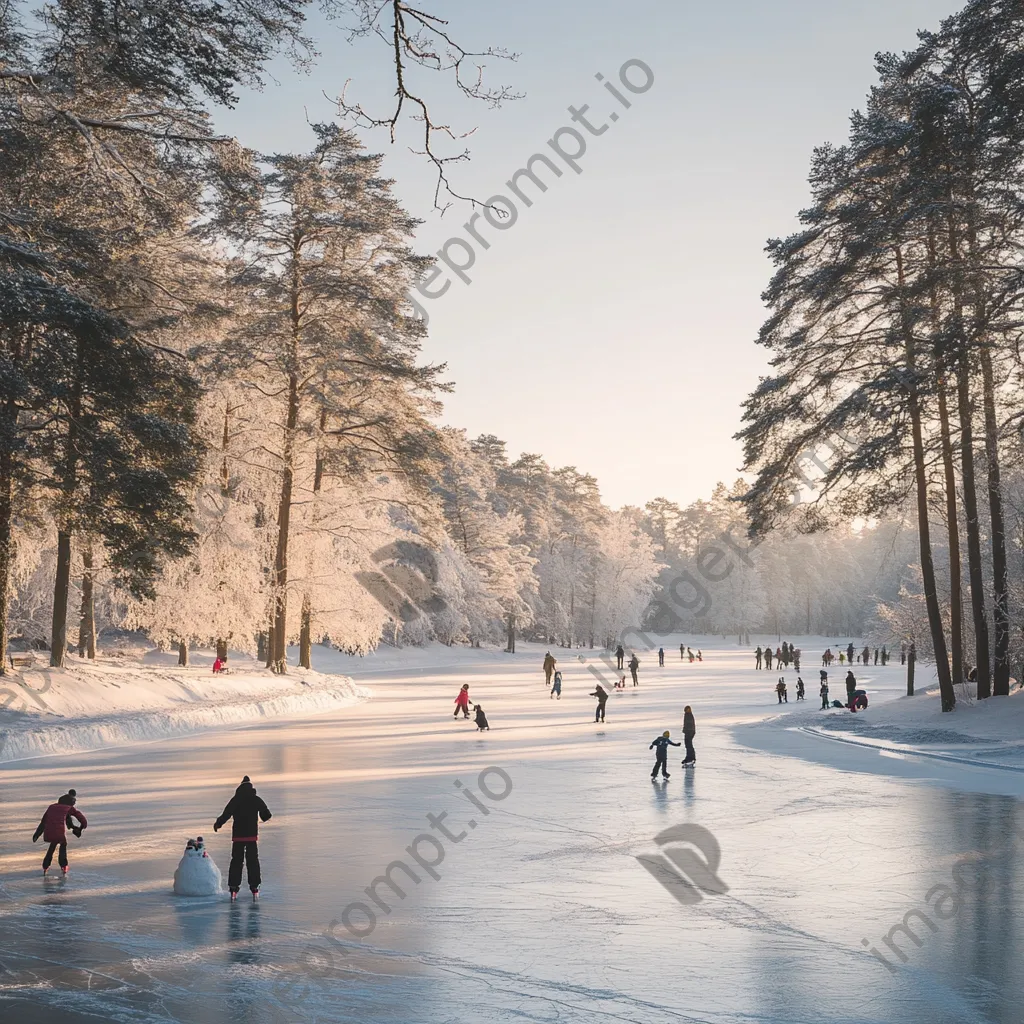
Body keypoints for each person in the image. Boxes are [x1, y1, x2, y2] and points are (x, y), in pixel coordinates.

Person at [214, 775, 272, 899]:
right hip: (251, 837)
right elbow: (266, 815)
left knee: (236, 861)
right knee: (253, 861)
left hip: (238, 838)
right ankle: (255, 886)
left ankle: (233, 887)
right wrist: (262, 815)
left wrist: (218, 823)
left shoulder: (236, 799)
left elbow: (226, 814)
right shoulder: (256, 799)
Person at [33, 789, 87, 875]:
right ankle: (63, 865)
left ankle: (45, 866)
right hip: (59, 833)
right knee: (63, 845)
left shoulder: (51, 807)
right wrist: (81, 828)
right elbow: (82, 819)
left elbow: (43, 822)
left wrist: (37, 834)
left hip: (49, 832)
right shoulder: (68, 808)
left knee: (52, 846)